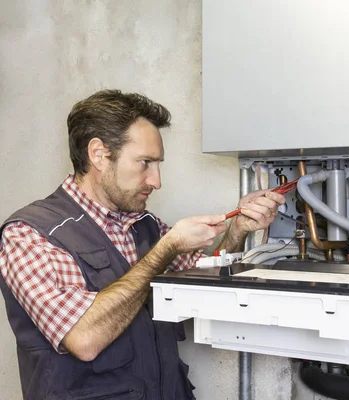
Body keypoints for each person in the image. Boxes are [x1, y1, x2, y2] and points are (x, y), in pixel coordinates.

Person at [0, 89, 285, 400]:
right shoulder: (29, 234)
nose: (156, 181)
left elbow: (202, 280)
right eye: (145, 162)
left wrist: (238, 229)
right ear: (98, 154)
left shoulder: (142, 223)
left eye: (158, 163)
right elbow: (83, 338)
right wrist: (167, 247)